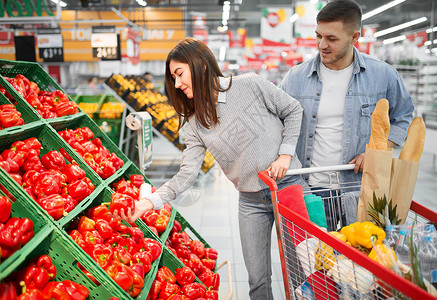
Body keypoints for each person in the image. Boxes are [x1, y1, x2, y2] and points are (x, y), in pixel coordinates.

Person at [116, 37, 307, 299]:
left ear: (202, 66)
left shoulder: (250, 84)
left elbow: (293, 109)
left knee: (304, 272)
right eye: (173, 78)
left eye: (180, 73)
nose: (177, 84)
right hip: (251, 200)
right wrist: (149, 202)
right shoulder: (194, 124)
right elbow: (186, 174)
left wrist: (285, 154)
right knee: (257, 279)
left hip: (288, 188)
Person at [280, 0, 414, 230]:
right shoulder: (295, 78)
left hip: (362, 188)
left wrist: (377, 150)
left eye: (332, 39)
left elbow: (404, 116)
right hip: (312, 189)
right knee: (318, 263)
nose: (322, 44)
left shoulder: (383, 76)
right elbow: (277, 124)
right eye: (318, 36)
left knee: (361, 261)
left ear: (354, 37)